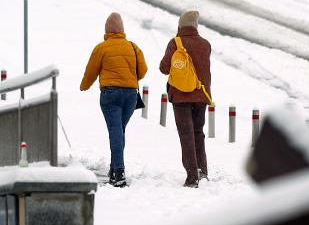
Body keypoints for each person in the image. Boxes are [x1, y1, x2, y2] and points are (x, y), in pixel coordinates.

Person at [80, 12, 147, 188]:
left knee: (115, 131)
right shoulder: (133, 47)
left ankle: (119, 171)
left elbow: (91, 72)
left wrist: (84, 86)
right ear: (122, 29)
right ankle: (114, 168)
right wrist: (131, 79)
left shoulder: (102, 48)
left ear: (107, 30)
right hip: (131, 95)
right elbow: (143, 70)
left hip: (111, 95)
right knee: (119, 130)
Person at [159, 11, 212, 188]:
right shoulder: (205, 44)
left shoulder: (175, 43)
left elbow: (164, 68)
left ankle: (191, 177)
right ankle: (202, 171)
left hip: (181, 96)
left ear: (180, 25)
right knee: (198, 132)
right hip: (202, 95)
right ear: (196, 26)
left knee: (186, 135)